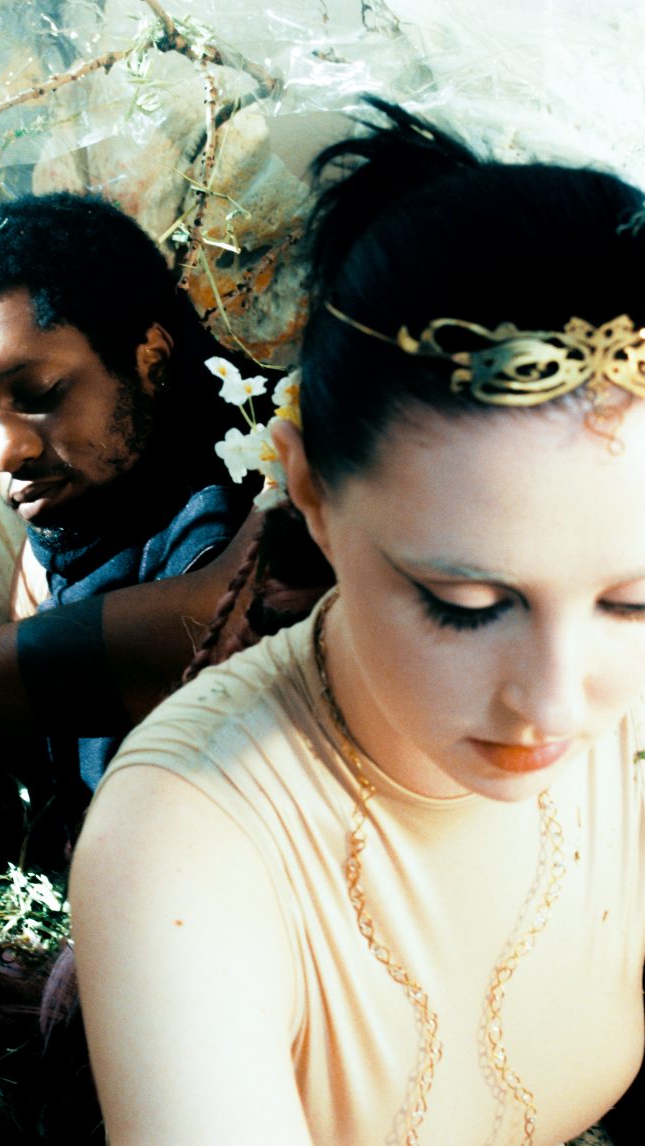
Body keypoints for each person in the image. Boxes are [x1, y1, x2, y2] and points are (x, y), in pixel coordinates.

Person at [69, 101, 645, 1146]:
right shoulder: (186, 846)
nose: (560, 703)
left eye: (632, 602)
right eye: (465, 606)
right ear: (311, 494)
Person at [0, 191, 268, 867]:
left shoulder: (249, 491)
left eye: (38, 396)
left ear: (150, 357)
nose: (6, 452)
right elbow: (64, 797)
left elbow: (192, 639)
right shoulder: (51, 554)